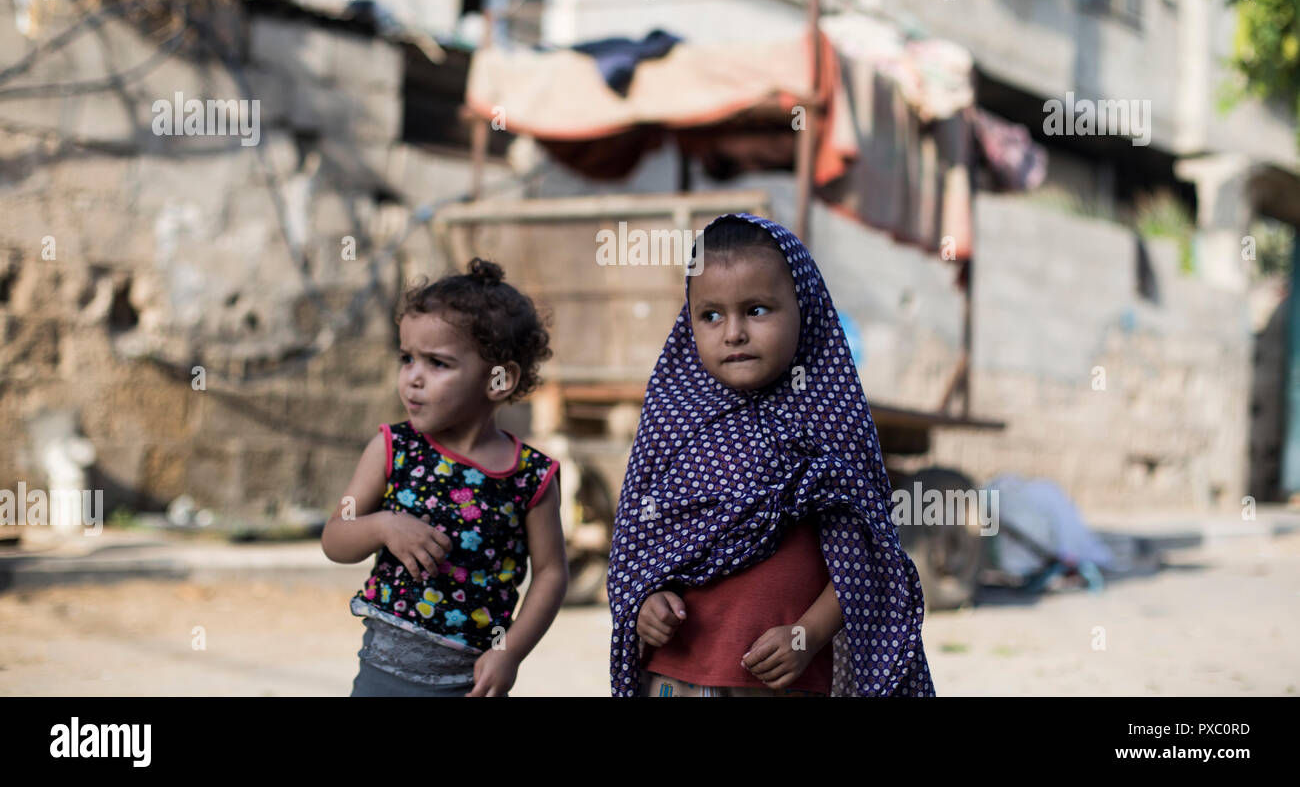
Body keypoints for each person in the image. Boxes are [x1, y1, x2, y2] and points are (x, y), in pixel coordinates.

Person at [607, 213, 935, 697]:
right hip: (678, 675)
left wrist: (808, 635)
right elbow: (639, 543)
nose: (733, 332)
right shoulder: (672, 420)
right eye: (711, 315)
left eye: (757, 310)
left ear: (805, 309)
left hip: (784, 681)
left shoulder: (830, 418)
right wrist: (645, 602)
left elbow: (868, 558)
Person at [322, 258, 567, 696]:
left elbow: (550, 573)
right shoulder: (392, 448)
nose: (412, 378)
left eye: (437, 363)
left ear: (498, 378)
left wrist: (510, 652)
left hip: (468, 683)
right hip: (382, 672)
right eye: (406, 358)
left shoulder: (531, 477)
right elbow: (335, 537)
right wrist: (382, 525)